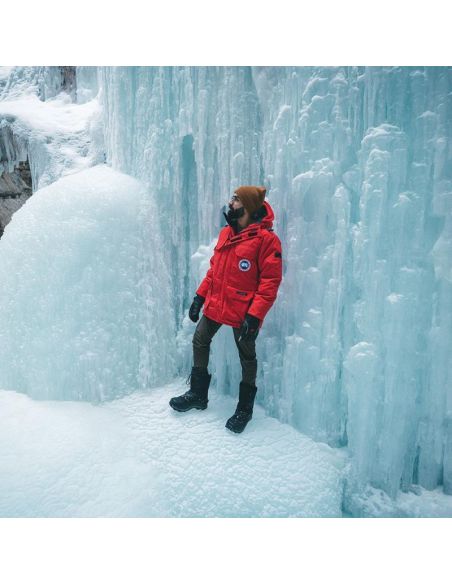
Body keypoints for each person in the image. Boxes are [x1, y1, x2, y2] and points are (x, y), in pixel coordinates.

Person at [169, 185, 283, 433]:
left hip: (243, 310)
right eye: (232, 198)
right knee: (200, 339)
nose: (230, 202)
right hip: (217, 302)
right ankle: (198, 394)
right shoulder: (226, 234)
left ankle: (244, 409)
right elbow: (214, 271)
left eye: (235, 199)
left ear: (248, 206)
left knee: (247, 357)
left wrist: (255, 316)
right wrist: (200, 296)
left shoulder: (266, 240)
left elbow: (269, 283)